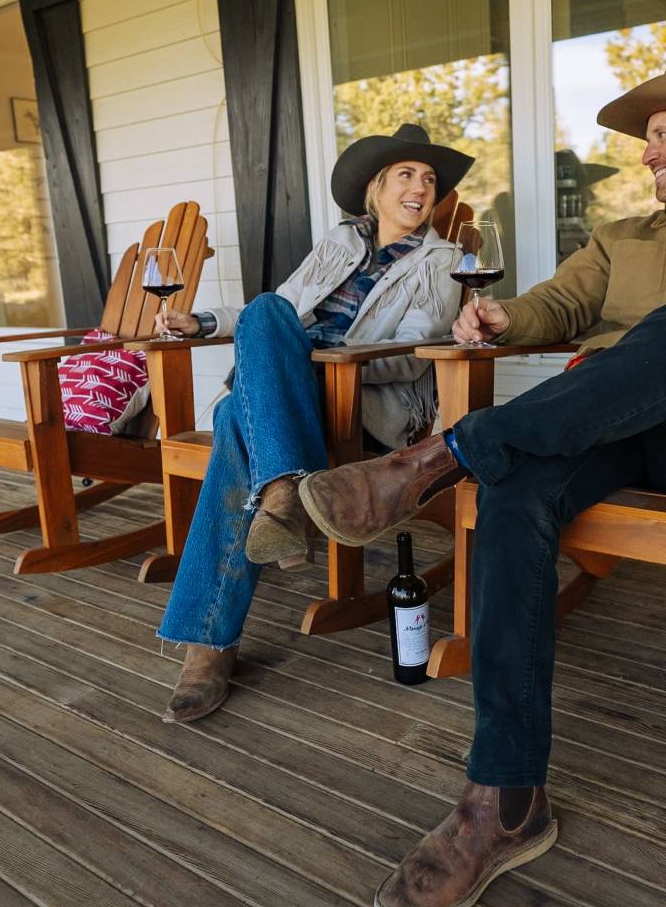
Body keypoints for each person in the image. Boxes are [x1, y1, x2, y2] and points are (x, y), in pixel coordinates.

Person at [297, 57, 666, 907]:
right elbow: (559, 306)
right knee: (515, 493)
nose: (646, 155)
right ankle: (504, 801)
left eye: (659, 135)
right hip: (609, 430)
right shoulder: (624, 237)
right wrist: (505, 317)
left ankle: (436, 458)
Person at [155, 123, 473, 724]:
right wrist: (200, 321)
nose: (420, 187)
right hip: (293, 394)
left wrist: (318, 364)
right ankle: (281, 493)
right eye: (405, 174)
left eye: (429, 179)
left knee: (232, 418)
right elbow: (273, 308)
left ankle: (209, 644)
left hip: (363, 407)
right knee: (268, 312)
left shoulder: (442, 259)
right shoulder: (339, 243)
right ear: (376, 189)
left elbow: (416, 352)